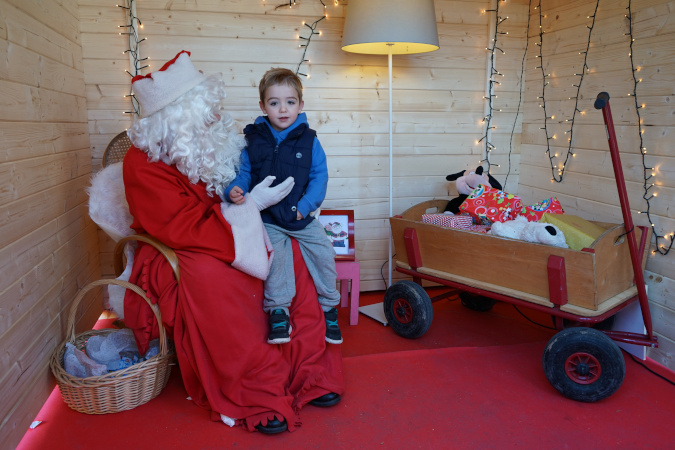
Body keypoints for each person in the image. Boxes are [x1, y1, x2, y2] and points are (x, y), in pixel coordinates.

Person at [121, 51, 344, 434]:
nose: (215, 119)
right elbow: (177, 225)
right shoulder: (142, 163)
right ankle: (256, 390)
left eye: (214, 109)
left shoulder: (215, 142)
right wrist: (249, 211)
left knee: (292, 257)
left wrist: (260, 208)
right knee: (219, 280)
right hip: (182, 244)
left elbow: (240, 181)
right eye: (205, 113)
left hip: (235, 226)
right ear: (175, 120)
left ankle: (309, 374)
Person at [224, 68, 342, 346]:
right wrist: (234, 190)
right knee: (276, 259)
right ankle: (278, 312)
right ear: (263, 106)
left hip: (300, 216)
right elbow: (244, 171)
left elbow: (319, 177)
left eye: (290, 102)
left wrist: (305, 206)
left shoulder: (310, 139)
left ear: (301, 105)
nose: (283, 109)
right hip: (269, 218)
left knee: (324, 253)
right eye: (274, 102)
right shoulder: (252, 139)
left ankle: (329, 307)